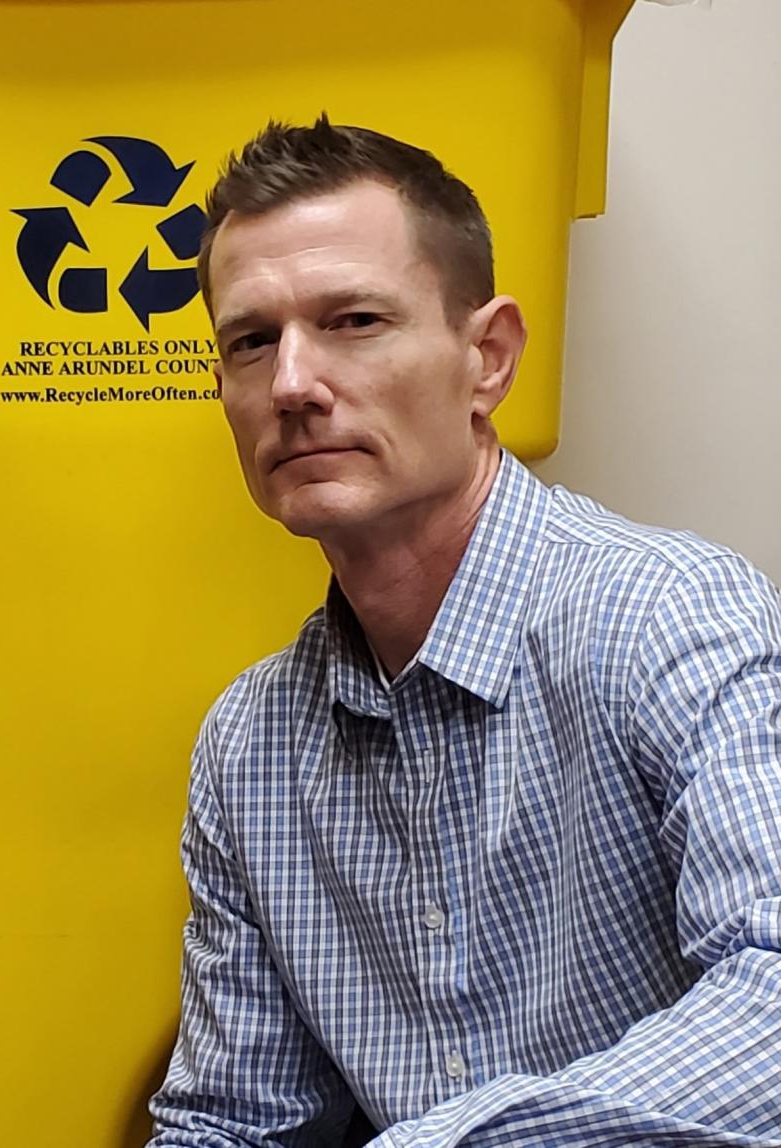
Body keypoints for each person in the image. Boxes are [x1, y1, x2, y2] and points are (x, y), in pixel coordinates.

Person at [146, 115, 781, 1147]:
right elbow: (234, 1120)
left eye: (353, 319)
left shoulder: (668, 615)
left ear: (488, 358)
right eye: (250, 339)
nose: (294, 384)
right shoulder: (249, 747)